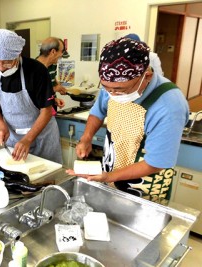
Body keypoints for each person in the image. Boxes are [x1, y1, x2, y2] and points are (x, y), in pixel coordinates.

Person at [67, 37, 189, 202]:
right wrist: (86, 138)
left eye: (119, 90)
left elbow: (156, 163)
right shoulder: (112, 82)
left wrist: (109, 176)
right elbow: (98, 111)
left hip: (145, 185)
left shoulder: (169, 106)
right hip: (112, 172)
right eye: (106, 88)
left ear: (146, 76)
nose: (112, 94)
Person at [0, 29, 63, 164]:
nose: (0, 68)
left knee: (46, 177)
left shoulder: (37, 71)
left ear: (17, 54)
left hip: (43, 138)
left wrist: (27, 139)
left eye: (6, 62)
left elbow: (46, 111)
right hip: (14, 137)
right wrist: (1, 127)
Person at [36, 37, 68, 112]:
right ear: (53, 52)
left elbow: (52, 80)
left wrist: (54, 100)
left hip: (49, 106)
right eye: (61, 51)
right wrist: (56, 89)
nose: (61, 55)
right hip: (39, 112)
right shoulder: (35, 69)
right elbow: (37, 94)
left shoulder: (53, 64)